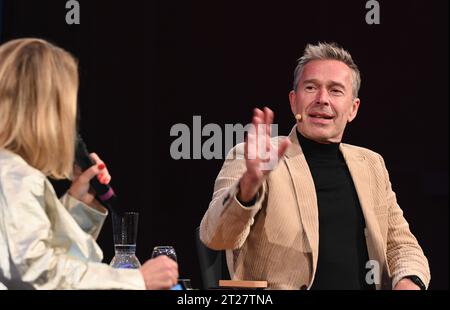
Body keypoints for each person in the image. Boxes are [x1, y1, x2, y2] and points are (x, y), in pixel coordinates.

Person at [200, 42, 430, 290]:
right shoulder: (254, 156)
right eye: (311, 88)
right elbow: (216, 237)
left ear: (353, 109)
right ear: (293, 101)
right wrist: (248, 185)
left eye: (335, 91)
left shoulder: (371, 164)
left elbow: (401, 246)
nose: (322, 99)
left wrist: (409, 282)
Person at [0, 38, 178, 290]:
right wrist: (135, 279)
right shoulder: (13, 177)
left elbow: (36, 255)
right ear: (46, 112)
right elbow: (37, 274)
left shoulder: (12, 172)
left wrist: (79, 206)